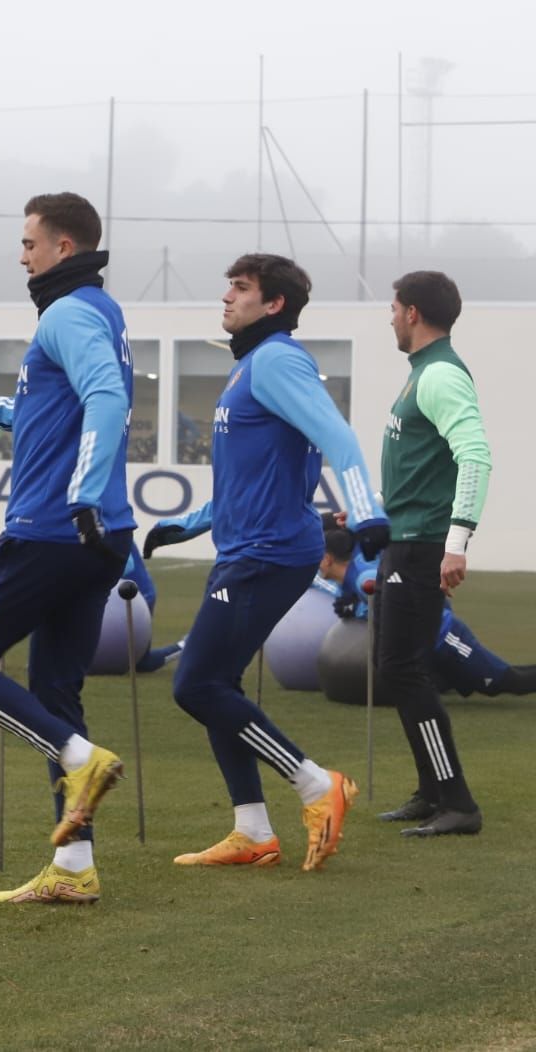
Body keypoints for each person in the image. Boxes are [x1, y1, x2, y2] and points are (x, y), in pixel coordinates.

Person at [144, 254, 386, 872]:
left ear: (274, 303)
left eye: (242, 287)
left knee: (195, 685)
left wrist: (367, 514)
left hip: (271, 552)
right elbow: (247, 478)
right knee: (215, 686)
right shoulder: (250, 366)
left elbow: (340, 438)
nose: (227, 296)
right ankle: (252, 830)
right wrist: (188, 525)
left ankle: (316, 785)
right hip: (247, 547)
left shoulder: (276, 359)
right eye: (228, 284)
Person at [0, 192, 132, 906]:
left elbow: (107, 398)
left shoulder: (69, 314)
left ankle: (79, 760)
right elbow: (59, 415)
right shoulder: (98, 311)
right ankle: (74, 870)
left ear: (63, 248)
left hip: (54, 529)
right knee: (54, 692)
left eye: (28, 243)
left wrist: (81, 494)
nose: (21, 255)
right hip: (100, 538)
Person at [373, 271, 493, 836]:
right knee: (398, 668)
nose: (391, 317)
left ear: (414, 312)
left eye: (394, 308)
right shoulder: (422, 373)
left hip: (423, 547)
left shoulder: (441, 373)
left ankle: (457, 803)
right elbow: (422, 468)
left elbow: (475, 457)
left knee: (403, 668)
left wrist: (456, 544)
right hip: (405, 538)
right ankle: (431, 790)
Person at [316, 526, 536, 699]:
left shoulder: (364, 579)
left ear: (327, 558)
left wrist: (359, 608)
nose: (316, 564)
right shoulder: (352, 576)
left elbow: (392, 602)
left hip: (445, 637)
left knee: (504, 681)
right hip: (425, 645)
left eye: (318, 557)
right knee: (488, 682)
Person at [121, 549, 183, 672]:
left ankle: (186, 645)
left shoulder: (111, 531)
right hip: (111, 598)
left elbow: (127, 566)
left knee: (140, 664)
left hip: (138, 598)